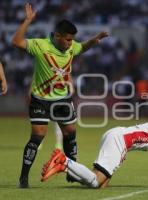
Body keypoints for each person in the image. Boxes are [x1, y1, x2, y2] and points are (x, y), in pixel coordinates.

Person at [12, 3, 108, 188]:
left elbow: (81, 47)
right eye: (67, 39)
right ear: (57, 36)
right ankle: (23, 179)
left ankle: (72, 173)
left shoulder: (71, 47)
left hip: (63, 99)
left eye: (72, 40)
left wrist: (93, 40)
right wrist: (27, 21)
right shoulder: (40, 46)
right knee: (37, 137)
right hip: (41, 100)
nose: (70, 43)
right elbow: (16, 42)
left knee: (70, 133)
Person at [41, 120, 148, 189]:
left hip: (116, 135)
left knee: (102, 185)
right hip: (121, 141)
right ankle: (64, 161)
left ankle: (65, 167)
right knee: (96, 182)